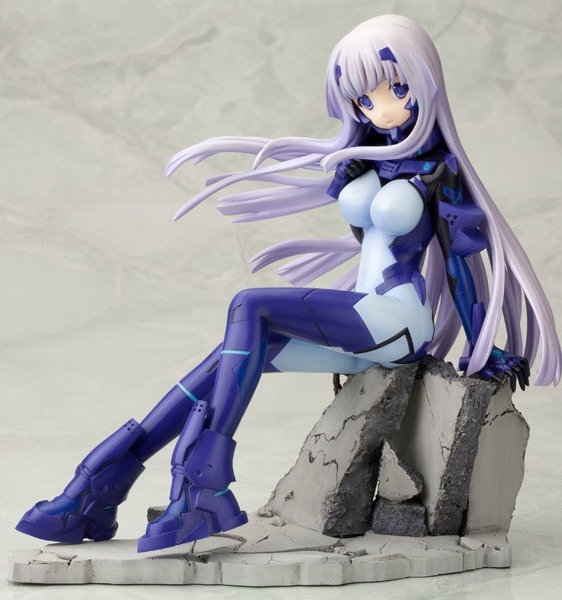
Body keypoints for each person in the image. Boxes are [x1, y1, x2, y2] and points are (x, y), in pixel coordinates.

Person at [16, 15, 561, 552]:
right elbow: (369, 236)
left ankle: (201, 484)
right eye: (364, 99)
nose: (381, 108)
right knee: (232, 356)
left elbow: (463, 270)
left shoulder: (439, 173)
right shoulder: (369, 161)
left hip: (397, 323)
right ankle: (103, 483)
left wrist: (483, 345)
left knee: (250, 307)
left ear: (425, 83)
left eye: (397, 89)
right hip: (364, 317)